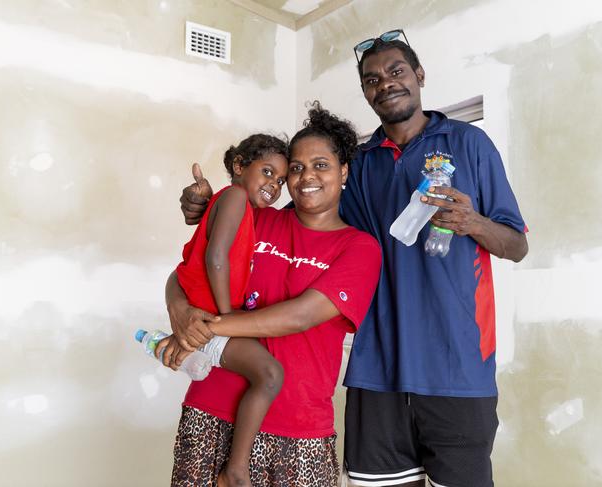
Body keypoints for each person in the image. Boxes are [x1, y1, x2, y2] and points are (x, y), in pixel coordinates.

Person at [179, 31, 529, 487]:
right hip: (375, 371)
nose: (385, 84)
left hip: (456, 368)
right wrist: (210, 209)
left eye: (396, 72)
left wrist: (472, 222)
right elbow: (278, 218)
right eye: (372, 79)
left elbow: (516, 246)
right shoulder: (360, 164)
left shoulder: (469, 144)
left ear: (419, 75)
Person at [159, 103, 382, 486]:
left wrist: (209, 329)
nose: (305, 176)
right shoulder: (255, 216)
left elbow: (298, 316)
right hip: (212, 411)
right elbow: (186, 273)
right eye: (295, 167)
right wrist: (182, 317)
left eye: (321, 165)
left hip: (298, 431)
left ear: (344, 171)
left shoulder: (359, 248)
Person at [171, 134, 290, 487]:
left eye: (281, 180)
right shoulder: (236, 197)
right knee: (269, 375)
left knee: (265, 374)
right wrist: (229, 318)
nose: (274, 185)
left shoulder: (238, 207)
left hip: (209, 318)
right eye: (267, 172)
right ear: (239, 166)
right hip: (210, 319)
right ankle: (236, 470)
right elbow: (216, 257)